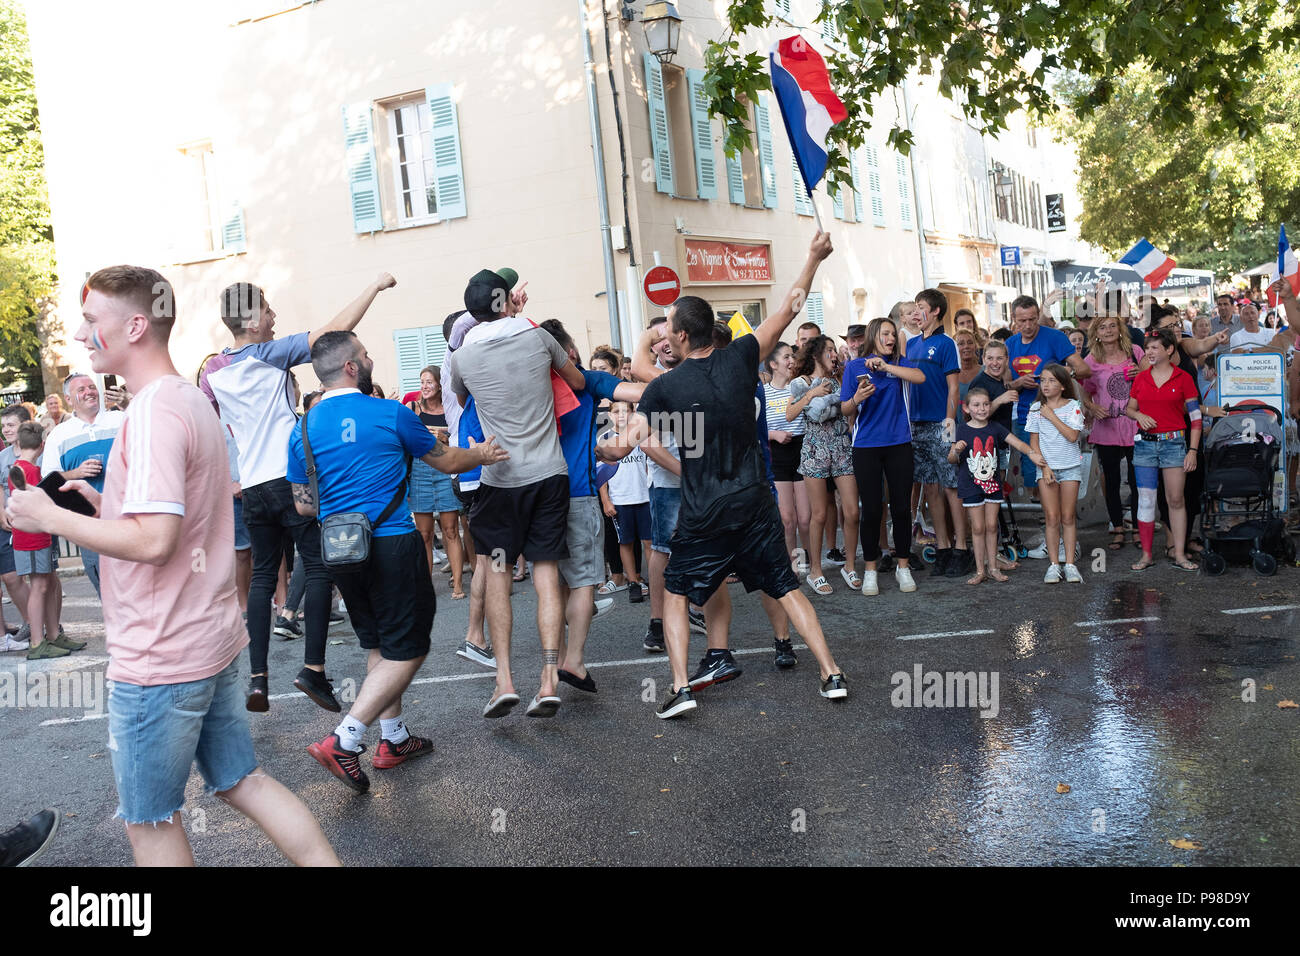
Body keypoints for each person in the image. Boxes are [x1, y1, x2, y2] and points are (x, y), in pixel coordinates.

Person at [6, 264, 339, 866]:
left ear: (135, 326)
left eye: (91, 321)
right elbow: (176, 525)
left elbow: (156, 541)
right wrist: (102, 505)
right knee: (244, 782)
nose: (82, 336)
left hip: (161, 657)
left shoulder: (154, 410)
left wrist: (48, 516)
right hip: (205, 642)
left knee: (150, 824)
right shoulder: (186, 396)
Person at [625, 232, 848, 717]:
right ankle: (831, 674)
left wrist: (603, 447)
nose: (663, 334)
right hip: (754, 499)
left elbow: (627, 440)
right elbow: (790, 307)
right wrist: (811, 257)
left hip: (705, 508)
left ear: (683, 336)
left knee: (678, 593)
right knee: (785, 585)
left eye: (666, 328)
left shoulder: (664, 387)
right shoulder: (743, 355)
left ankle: (682, 687)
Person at [286, 331, 505, 790]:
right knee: (412, 645)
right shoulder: (389, 413)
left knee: (380, 645)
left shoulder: (302, 427)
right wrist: (482, 453)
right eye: (364, 354)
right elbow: (447, 462)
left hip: (340, 549)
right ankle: (345, 739)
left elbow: (304, 505)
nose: (369, 359)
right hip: (392, 543)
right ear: (350, 367)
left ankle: (393, 737)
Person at [203, 274, 397, 712]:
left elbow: (208, 426)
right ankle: (313, 670)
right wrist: (374, 286)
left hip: (252, 485)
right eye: (268, 310)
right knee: (320, 566)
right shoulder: (267, 355)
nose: (274, 318)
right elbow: (332, 332)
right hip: (290, 479)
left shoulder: (213, 373)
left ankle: (257, 680)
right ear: (252, 320)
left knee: (262, 577)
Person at [444, 270, 588, 719]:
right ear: (507, 301)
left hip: (500, 481)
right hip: (548, 475)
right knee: (546, 574)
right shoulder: (539, 338)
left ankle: (504, 680)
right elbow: (578, 382)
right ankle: (548, 681)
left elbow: (464, 398)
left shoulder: (461, 359)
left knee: (500, 576)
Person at [534, 319, 641, 690]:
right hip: (577, 492)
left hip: (536, 496)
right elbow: (633, 390)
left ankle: (554, 667)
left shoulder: (531, 384)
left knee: (552, 588)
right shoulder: (587, 380)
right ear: (572, 352)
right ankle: (575, 662)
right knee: (582, 584)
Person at [840, 316, 926, 595]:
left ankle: (903, 567)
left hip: (899, 443)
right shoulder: (853, 367)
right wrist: (857, 399)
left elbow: (920, 377)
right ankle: (870, 570)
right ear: (873, 336)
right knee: (873, 510)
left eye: (892, 334)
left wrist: (886, 365)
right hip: (865, 446)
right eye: (885, 334)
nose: (890, 339)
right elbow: (844, 409)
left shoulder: (899, 364)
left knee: (901, 507)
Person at [41, 373, 126, 598]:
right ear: (68, 399)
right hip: (89, 522)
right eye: (81, 390)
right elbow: (48, 481)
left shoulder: (120, 420)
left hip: (127, 512)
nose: (89, 391)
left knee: (137, 577)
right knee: (106, 587)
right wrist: (76, 473)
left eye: (91, 387)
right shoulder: (59, 436)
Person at [947, 387, 1043, 585]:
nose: (981, 409)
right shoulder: (960, 429)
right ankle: (980, 570)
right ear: (966, 408)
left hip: (993, 485)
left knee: (992, 526)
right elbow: (950, 459)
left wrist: (1032, 453)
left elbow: (1017, 443)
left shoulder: (996, 427)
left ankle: (993, 567)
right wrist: (956, 451)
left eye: (985, 404)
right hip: (971, 486)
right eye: (976, 405)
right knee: (978, 527)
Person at [1004, 295, 1091, 510]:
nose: (1027, 325)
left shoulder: (1054, 337)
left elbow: (1084, 369)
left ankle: (1061, 534)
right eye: (1022, 321)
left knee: (1059, 476)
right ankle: (1050, 533)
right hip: (1025, 418)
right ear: (1013, 319)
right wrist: (1018, 383)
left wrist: (1056, 376)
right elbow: (1004, 384)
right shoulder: (1009, 344)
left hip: (1057, 416)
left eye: (1032, 319)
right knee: (1035, 477)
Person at [789, 334, 860, 594]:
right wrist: (812, 394)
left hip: (841, 446)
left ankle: (849, 565)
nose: (834, 354)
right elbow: (790, 413)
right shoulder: (800, 383)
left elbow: (846, 410)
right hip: (815, 449)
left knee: (852, 511)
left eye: (835, 350)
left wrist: (853, 399)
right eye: (829, 350)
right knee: (818, 514)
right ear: (817, 354)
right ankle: (816, 571)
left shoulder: (839, 379)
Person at [1127, 327, 1202, 572]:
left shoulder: (1184, 378)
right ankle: (1146, 555)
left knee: (1176, 499)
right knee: (1147, 501)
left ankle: (1179, 554)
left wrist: (1192, 450)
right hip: (1145, 444)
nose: (1148, 351)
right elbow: (1129, 408)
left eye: (1154, 347)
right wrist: (1138, 414)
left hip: (1174, 444)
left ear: (1169, 350)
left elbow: (1196, 418)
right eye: (1147, 347)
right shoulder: (1141, 377)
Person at [908, 288, 969, 577]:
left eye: (921, 307)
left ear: (934, 311)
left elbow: (954, 388)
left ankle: (962, 548)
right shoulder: (910, 345)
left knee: (951, 486)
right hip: (916, 425)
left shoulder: (946, 343)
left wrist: (949, 422)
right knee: (930, 486)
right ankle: (943, 547)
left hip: (940, 424)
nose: (915, 312)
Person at [7, 422, 74, 659]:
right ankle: (37, 642)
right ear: (42, 445)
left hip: (30, 535)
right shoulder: (31, 471)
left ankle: (52, 635)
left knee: (44, 584)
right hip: (34, 536)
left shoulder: (18, 466)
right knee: (40, 587)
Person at [1081, 314, 1145, 551]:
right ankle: (1117, 528)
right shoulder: (1091, 359)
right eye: (1102, 327)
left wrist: (1141, 374)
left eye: (1112, 326)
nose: (1108, 330)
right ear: (1096, 333)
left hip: (1135, 425)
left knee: (1138, 480)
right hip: (1107, 427)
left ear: (1120, 330)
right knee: (1112, 480)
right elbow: (1085, 393)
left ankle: (1139, 528)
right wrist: (1092, 407)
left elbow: (1152, 379)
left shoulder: (1135, 352)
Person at [406, 365, 467, 599]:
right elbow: (403, 438)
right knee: (424, 535)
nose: (424, 386)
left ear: (440, 385)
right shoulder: (412, 409)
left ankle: (459, 584)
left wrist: (444, 438)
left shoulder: (450, 409)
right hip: (420, 472)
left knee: (451, 530)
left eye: (429, 382)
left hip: (444, 470)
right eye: (422, 382)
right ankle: (425, 587)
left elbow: (459, 438)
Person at [1025, 366, 1087, 583]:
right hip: (1046, 469)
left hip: (1070, 467)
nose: (1046, 385)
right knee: (1051, 517)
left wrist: (1050, 416)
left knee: (1068, 517)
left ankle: (1069, 564)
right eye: (1043, 381)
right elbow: (1034, 442)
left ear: (1062, 385)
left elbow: (1072, 436)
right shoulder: (1035, 408)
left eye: (1052, 381)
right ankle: (1053, 564)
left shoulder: (1073, 406)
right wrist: (1044, 467)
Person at [763, 342, 811, 570]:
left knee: (804, 518)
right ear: (773, 364)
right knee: (788, 520)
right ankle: (793, 564)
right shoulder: (762, 392)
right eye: (785, 357)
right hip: (778, 455)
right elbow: (754, 427)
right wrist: (773, 434)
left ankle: (811, 561)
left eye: (792, 357)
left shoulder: (800, 387)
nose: (791, 361)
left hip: (802, 450)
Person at [604, 400, 652, 603]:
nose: (622, 415)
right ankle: (632, 581)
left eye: (626, 411)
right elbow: (601, 475)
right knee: (626, 542)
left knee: (651, 543)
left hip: (644, 497)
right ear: (609, 415)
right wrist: (606, 500)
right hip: (621, 499)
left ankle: (656, 581)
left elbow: (650, 464)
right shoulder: (605, 439)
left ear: (634, 413)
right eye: (617, 412)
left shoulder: (640, 436)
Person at [0, 405, 34, 650]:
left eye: (10, 425)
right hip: (6, 524)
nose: (5, 430)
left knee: (43, 577)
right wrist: (2, 513)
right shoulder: (2, 456)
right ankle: (30, 625)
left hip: (32, 522)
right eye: (3, 426)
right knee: (11, 578)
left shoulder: (35, 451)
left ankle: (40, 624)